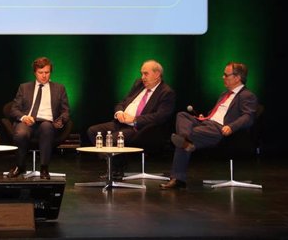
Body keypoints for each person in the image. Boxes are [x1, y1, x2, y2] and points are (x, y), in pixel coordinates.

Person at [160, 62, 259, 190]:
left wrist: (232, 127)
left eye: (226, 75)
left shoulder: (247, 95)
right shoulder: (224, 94)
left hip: (220, 128)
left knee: (181, 141)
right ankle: (185, 139)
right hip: (208, 123)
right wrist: (205, 117)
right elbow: (217, 113)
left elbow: (248, 117)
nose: (223, 77)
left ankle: (178, 177)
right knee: (182, 115)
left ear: (237, 77)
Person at [86, 59, 176, 179]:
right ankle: (114, 163)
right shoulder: (139, 84)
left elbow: (160, 116)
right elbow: (123, 102)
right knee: (93, 131)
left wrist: (134, 119)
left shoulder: (166, 92)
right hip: (121, 122)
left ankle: (116, 168)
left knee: (113, 139)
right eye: (141, 73)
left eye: (146, 73)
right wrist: (119, 112)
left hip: (140, 129)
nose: (142, 77)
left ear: (157, 74)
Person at [6, 57, 70, 180]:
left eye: (47, 72)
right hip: (27, 121)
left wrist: (61, 120)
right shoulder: (24, 87)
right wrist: (24, 117)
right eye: (41, 73)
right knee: (21, 133)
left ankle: (44, 168)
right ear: (35, 72)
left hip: (47, 122)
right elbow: (14, 109)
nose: (44, 76)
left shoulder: (59, 88)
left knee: (46, 127)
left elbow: (66, 111)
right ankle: (20, 166)